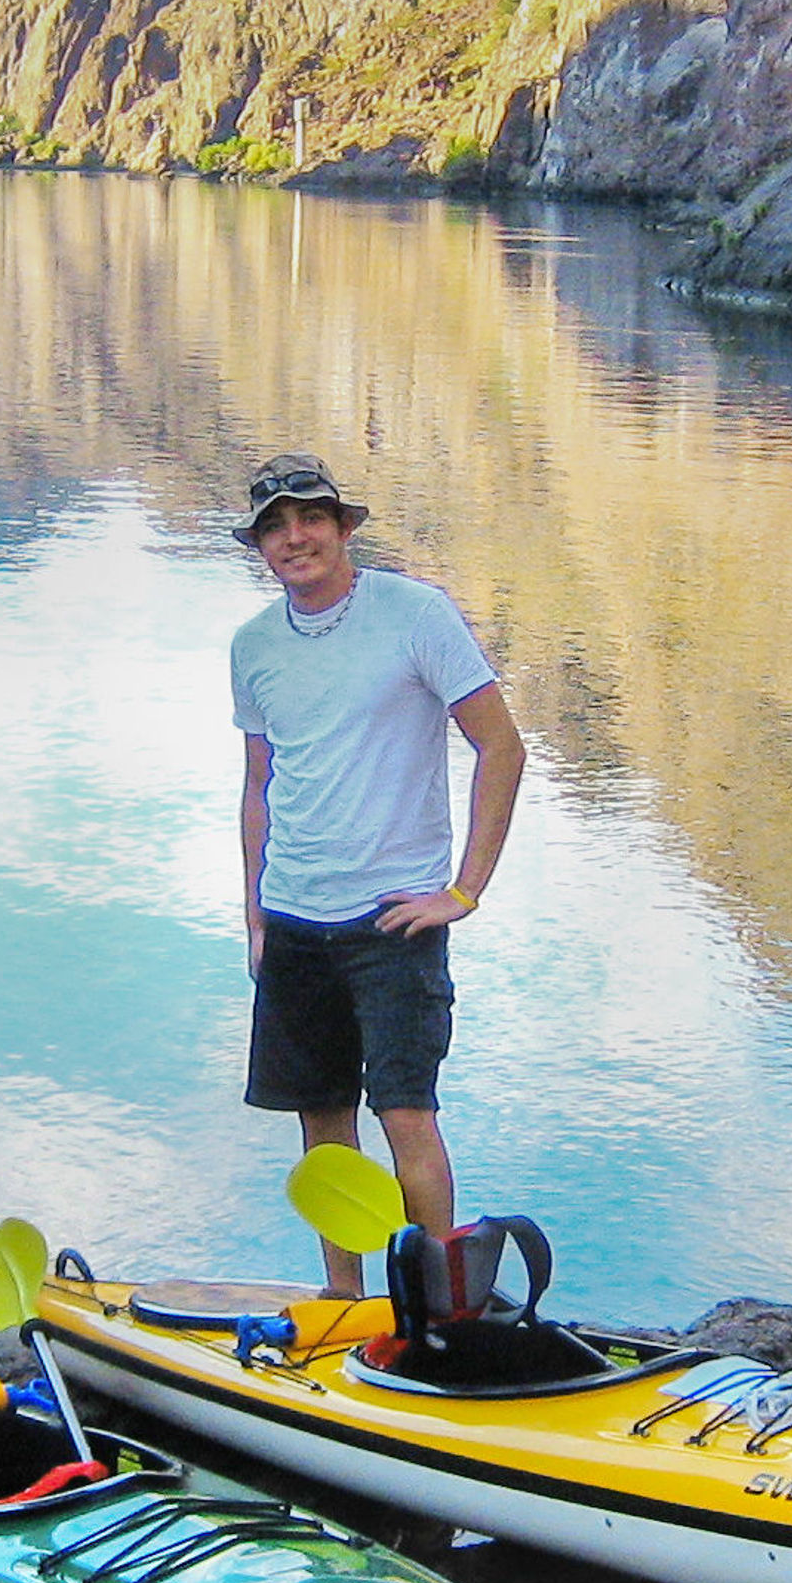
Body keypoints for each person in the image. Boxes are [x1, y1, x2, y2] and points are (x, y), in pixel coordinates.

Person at [230, 454, 526, 1298]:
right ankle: (344, 1303)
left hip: (395, 917)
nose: (296, 539)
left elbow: (500, 747)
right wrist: (253, 916)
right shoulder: (252, 646)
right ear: (261, 546)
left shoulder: (415, 614)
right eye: (277, 527)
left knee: (405, 1112)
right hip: (294, 917)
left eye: (311, 519)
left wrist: (463, 891)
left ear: (343, 527)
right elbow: (259, 784)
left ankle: (447, 1314)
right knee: (322, 1121)